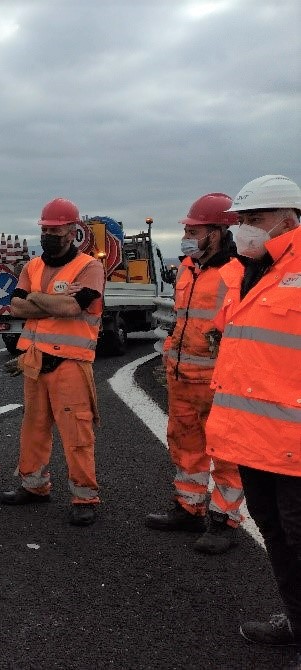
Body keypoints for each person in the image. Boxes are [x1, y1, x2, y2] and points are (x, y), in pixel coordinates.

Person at [204, 175, 301, 654]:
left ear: (289, 218)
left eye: (255, 219)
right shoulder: (244, 273)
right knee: (279, 543)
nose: (245, 229)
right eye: (241, 220)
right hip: (252, 439)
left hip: (296, 449)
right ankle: (296, 621)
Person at [145, 193, 245, 554]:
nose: (187, 234)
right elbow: (182, 321)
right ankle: (189, 507)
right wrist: (171, 354)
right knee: (185, 445)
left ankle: (224, 519)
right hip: (183, 377)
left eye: (194, 228)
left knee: (227, 452)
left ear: (218, 231)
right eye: (187, 228)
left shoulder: (238, 273)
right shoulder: (188, 267)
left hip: (221, 382)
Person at [0, 197, 105, 526]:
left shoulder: (90, 266)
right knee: (34, 429)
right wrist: (53, 301)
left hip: (71, 362)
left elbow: (75, 308)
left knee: (76, 433)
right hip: (34, 359)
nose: (49, 235)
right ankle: (33, 486)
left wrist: (36, 299)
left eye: (56, 230)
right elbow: (16, 307)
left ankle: (84, 496)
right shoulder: (32, 266)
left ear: (73, 231)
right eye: (45, 229)